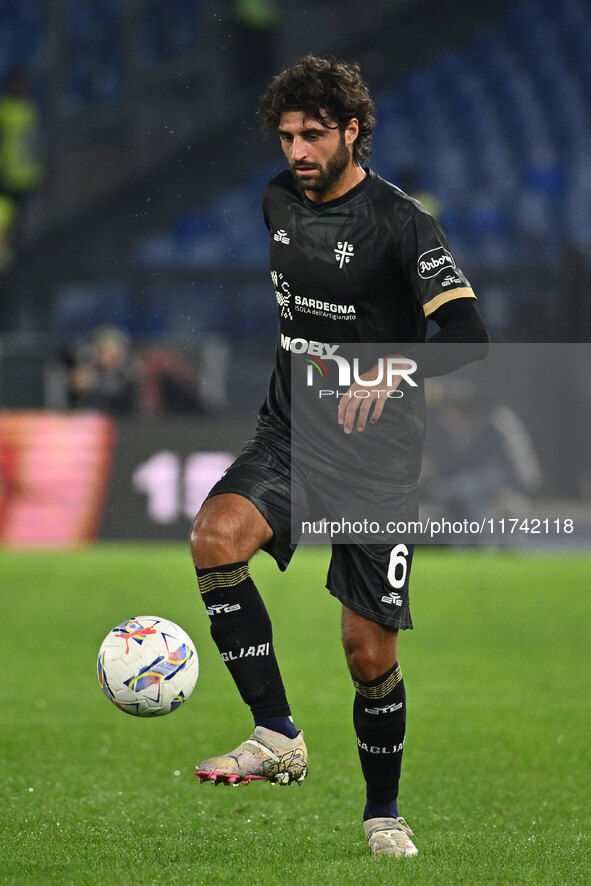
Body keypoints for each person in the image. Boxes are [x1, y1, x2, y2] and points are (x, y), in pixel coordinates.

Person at [190, 56, 489, 858]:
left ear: (353, 129)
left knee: (368, 651)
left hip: (377, 459)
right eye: (286, 136)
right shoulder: (276, 201)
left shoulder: (400, 221)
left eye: (313, 134)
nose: (296, 151)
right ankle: (275, 733)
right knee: (214, 539)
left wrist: (390, 367)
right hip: (289, 434)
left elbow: (467, 336)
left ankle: (382, 810)